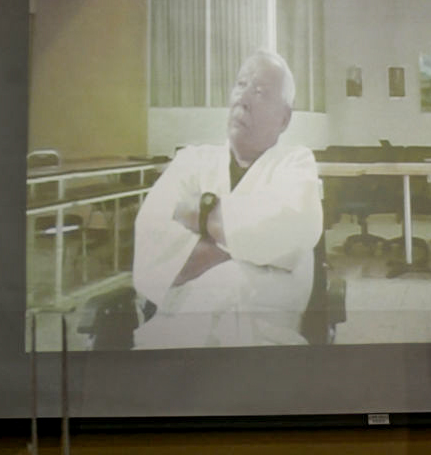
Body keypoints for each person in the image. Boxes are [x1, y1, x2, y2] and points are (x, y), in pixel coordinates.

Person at [131, 50, 323, 349]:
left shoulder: (296, 164)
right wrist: (249, 249)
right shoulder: (191, 160)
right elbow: (150, 243)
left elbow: (293, 231)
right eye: (240, 84)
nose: (242, 99)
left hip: (264, 340)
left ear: (284, 118)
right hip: (176, 333)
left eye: (259, 92)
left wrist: (200, 216)